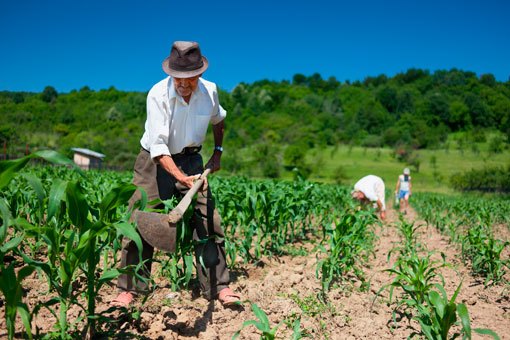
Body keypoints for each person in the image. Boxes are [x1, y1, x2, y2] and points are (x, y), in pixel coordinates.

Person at [112, 41, 240, 307]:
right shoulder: (157, 95)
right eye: (177, 78)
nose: (182, 84)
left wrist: (217, 151)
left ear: (199, 74)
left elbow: (219, 120)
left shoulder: (210, 92)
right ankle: (130, 288)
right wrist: (180, 178)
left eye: (188, 79)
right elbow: (159, 148)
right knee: (139, 216)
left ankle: (218, 286)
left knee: (208, 218)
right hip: (153, 160)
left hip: (192, 159)